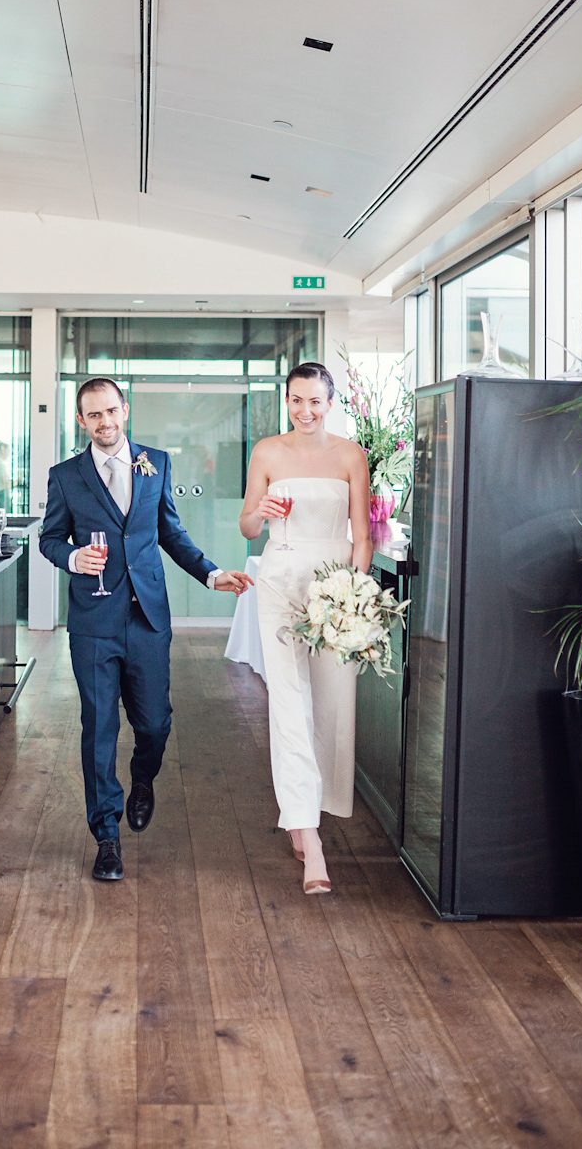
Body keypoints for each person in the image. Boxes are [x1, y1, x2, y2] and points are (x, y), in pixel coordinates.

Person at [40, 377, 253, 882]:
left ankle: (142, 780)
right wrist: (73, 556)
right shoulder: (66, 476)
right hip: (93, 621)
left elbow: (170, 532)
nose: (105, 422)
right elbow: (49, 538)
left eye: (111, 411)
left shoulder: (154, 461)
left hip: (148, 619)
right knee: (99, 730)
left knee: (154, 725)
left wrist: (210, 572)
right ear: (81, 420)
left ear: (125, 410)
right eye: (94, 415)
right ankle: (106, 835)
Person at [238, 362, 371, 895]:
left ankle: (311, 809)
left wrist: (354, 594)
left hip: (335, 581)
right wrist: (261, 511)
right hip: (280, 579)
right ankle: (307, 832)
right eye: (296, 400)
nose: (305, 411)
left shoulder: (350, 455)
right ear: (287, 400)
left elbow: (361, 535)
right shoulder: (267, 451)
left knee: (335, 702)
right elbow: (248, 525)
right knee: (288, 702)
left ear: (330, 402)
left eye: (315, 401)